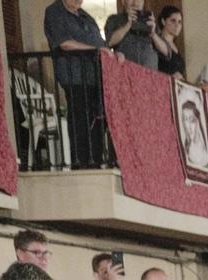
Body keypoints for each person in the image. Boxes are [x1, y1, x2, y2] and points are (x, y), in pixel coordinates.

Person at [44, 0, 114, 168]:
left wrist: (112, 54)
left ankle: (97, 161)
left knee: (98, 122)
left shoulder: (86, 17)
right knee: (80, 121)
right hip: (74, 76)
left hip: (95, 78)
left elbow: (101, 44)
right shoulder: (55, 11)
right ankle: (82, 163)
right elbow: (64, 43)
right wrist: (95, 50)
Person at [103, 0, 158, 70]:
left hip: (150, 72)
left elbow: (166, 53)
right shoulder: (114, 19)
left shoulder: (150, 21)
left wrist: (153, 34)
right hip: (125, 70)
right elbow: (109, 42)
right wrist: (128, 25)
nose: (135, 3)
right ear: (123, 1)